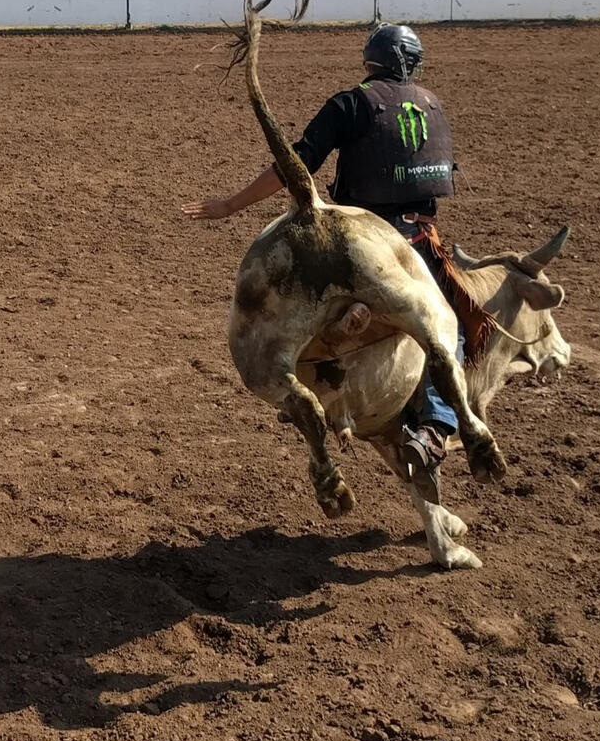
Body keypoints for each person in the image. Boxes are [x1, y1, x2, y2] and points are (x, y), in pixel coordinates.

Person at [181, 24, 465, 476]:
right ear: (412, 64)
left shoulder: (351, 103)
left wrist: (231, 205)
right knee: (450, 330)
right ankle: (437, 425)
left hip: (356, 235)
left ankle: (305, 379)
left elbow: (297, 162)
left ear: (370, 61)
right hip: (412, 241)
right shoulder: (431, 105)